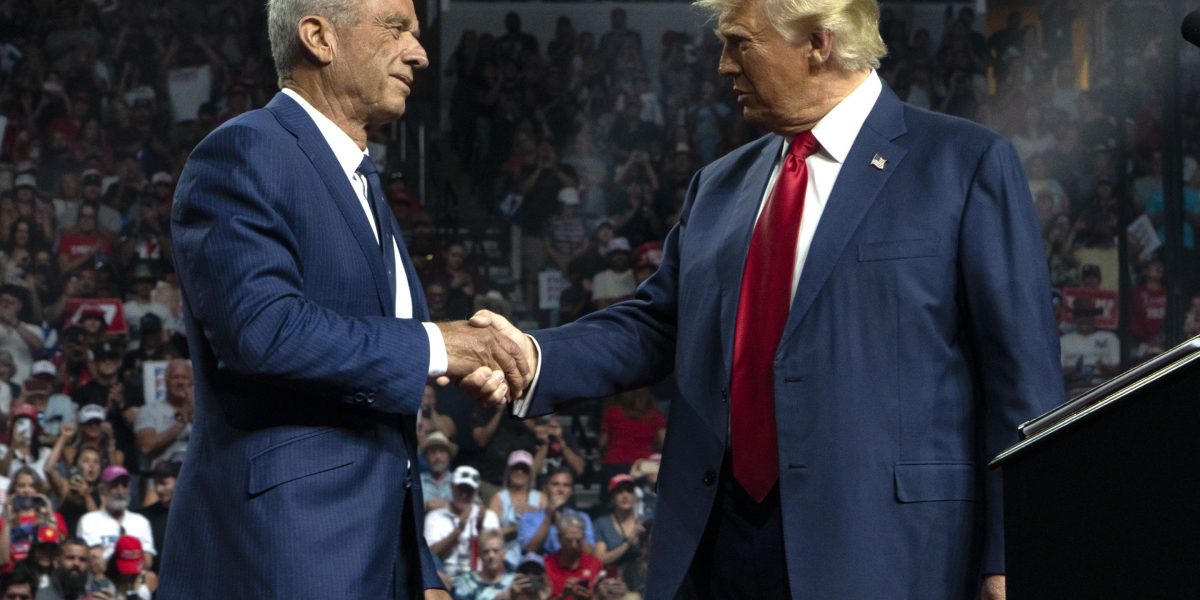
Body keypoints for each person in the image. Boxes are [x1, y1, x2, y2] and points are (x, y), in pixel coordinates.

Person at [470, 0, 1063, 597]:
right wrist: (530, 355)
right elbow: (656, 327)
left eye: (740, 42)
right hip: (720, 544)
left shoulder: (963, 164)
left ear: (819, 43)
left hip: (890, 549)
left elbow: (1022, 379)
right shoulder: (719, 185)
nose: (724, 65)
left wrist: (1013, 550)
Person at [159, 0, 530, 597]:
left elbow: (373, 411)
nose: (420, 51)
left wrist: (417, 568)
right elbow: (264, 331)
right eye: (397, 28)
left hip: (374, 557)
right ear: (319, 37)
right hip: (284, 552)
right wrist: (441, 345)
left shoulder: (359, 178)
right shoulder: (246, 152)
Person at [422, 466, 499, 581]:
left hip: (480, 580)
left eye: (469, 490)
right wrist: (457, 532)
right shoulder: (434, 517)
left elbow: (496, 556)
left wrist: (480, 528)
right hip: (446, 579)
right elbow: (429, 556)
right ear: (452, 488)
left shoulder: (488, 516)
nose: (464, 494)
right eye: (461, 489)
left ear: (475, 492)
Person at [75, 466, 153, 564]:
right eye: (114, 486)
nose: (120, 492)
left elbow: (147, 562)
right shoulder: (89, 521)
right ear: (102, 490)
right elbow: (95, 562)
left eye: (124, 486)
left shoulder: (141, 522)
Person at [517, 468, 593, 557]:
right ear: (545, 489)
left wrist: (563, 523)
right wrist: (549, 517)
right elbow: (529, 550)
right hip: (540, 567)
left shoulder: (582, 518)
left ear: (571, 491)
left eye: (566, 485)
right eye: (555, 484)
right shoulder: (529, 517)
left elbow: (589, 553)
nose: (560, 490)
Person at [485, 450, 541, 568]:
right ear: (509, 471)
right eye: (516, 468)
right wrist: (515, 528)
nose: (520, 472)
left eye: (524, 469)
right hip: (506, 558)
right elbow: (490, 534)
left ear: (530, 473)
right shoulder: (498, 498)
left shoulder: (541, 498)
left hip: (534, 557)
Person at [542, 514, 602, 600]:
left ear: (584, 537)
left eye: (578, 541)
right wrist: (563, 596)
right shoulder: (546, 565)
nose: (574, 546)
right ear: (559, 538)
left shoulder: (594, 564)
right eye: (569, 541)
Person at [449, 529, 512, 600]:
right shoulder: (467, 582)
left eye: (495, 551)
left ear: (504, 553)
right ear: (480, 555)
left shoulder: (512, 581)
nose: (491, 555)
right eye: (486, 552)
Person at [418, 431, 457, 512]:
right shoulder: (416, 482)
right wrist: (425, 506)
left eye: (442, 451)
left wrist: (448, 505)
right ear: (426, 457)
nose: (437, 456)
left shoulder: (459, 481)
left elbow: (476, 508)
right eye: (432, 452)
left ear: (449, 456)